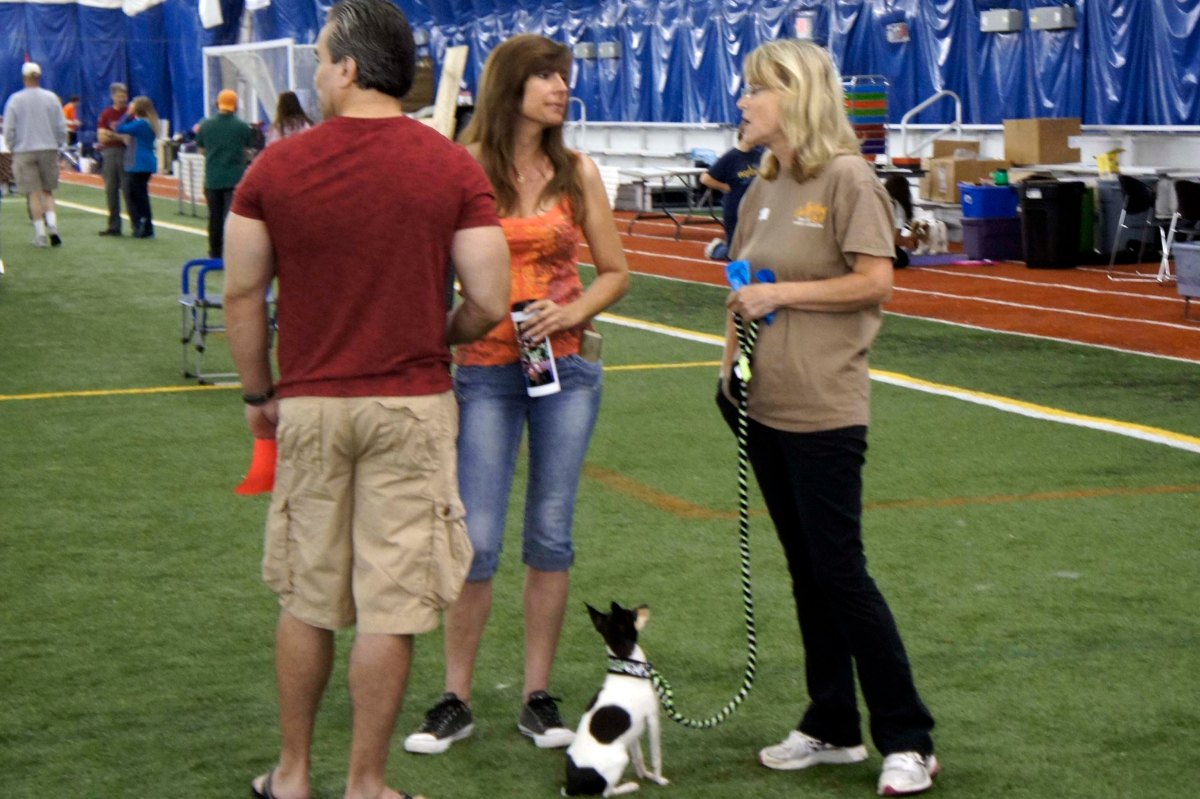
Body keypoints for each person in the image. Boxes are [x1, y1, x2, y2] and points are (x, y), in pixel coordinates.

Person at [222, 0, 510, 796]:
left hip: (312, 403)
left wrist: (257, 391)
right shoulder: (450, 166)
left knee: (308, 598)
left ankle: (292, 774)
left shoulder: (275, 168)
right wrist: (434, 329)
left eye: (322, 59)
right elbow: (490, 298)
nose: (317, 74)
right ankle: (367, 783)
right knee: (392, 606)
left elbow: (242, 293)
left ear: (349, 68)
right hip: (412, 402)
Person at [718, 40, 938, 796]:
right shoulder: (762, 183)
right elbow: (741, 284)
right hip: (765, 406)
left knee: (840, 572)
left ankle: (908, 736)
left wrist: (781, 296)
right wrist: (728, 373)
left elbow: (875, 282)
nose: (743, 102)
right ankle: (833, 721)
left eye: (755, 90)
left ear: (794, 96)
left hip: (825, 408)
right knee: (807, 573)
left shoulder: (847, 177)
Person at [403, 33, 630, 756]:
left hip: (565, 370)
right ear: (511, 85)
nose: (562, 87)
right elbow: (424, 264)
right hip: (484, 369)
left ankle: (537, 696)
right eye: (545, 76)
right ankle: (455, 698)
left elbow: (615, 270)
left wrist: (573, 311)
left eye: (564, 76)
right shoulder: (462, 167)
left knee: (551, 536)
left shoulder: (577, 171)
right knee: (477, 541)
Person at [3, 62, 67, 248]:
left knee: (33, 193)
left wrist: (12, 146)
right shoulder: (51, 98)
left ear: (24, 78)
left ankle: (40, 235)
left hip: (24, 150)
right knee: (48, 191)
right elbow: (61, 126)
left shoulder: (15, 99)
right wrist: (58, 144)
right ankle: (53, 226)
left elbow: (9, 128)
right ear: (39, 77)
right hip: (48, 149)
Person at [195, 89, 253, 258]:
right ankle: (232, 253)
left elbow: (201, 150)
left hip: (212, 178)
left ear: (217, 104)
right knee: (232, 218)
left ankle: (215, 252)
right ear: (235, 106)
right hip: (235, 179)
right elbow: (248, 151)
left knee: (214, 218)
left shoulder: (205, 125)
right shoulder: (242, 127)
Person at [700, 121, 762, 261]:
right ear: (744, 134)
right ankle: (716, 249)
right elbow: (705, 178)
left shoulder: (759, 155)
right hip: (734, 208)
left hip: (754, 206)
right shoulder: (731, 157)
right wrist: (725, 187)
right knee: (734, 254)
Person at [115, 96, 158, 239]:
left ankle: (145, 226)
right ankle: (146, 226)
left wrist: (127, 114)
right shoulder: (150, 122)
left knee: (138, 196)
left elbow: (119, 128)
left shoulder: (140, 124)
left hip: (139, 163)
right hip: (146, 161)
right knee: (141, 195)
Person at [96, 82, 132, 236]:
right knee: (111, 189)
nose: (122, 99)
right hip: (110, 152)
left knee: (128, 189)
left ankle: (136, 224)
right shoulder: (107, 114)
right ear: (113, 96)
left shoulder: (130, 114)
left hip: (126, 153)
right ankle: (114, 226)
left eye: (124, 96)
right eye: (119, 96)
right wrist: (119, 137)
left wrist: (112, 134)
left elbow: (129, 138)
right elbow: (101, 137)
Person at [884, 173, 914, 269]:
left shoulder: (880, 200)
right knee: (903, 259)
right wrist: (907, 241)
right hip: (880, 246)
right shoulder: (898, 208)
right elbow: (895, 239)